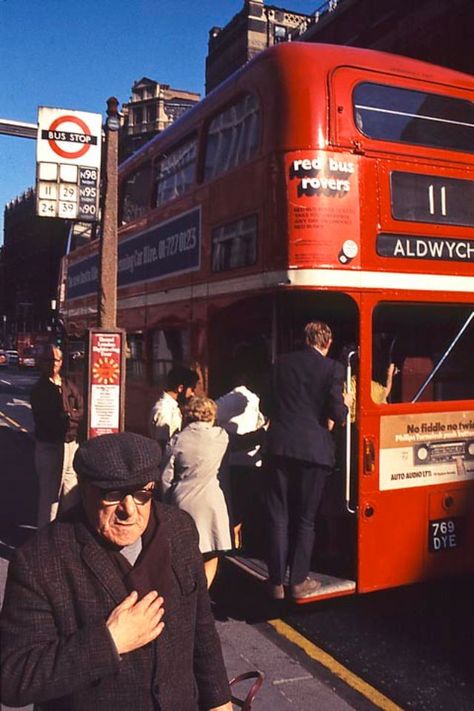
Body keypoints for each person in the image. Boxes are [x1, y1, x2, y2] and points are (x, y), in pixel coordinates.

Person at [0, 432, 232, 711]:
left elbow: (202, 630)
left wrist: (219, 701)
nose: (129, 511)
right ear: (84, 489)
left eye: (142, 495)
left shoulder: (180, 530)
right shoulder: (40, 561)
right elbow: (13, 679)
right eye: (113, 495)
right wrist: (108, 642)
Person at [264, 321, 351, 600]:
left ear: (305, 339)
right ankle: (298, 581)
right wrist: (346, 402)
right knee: (305, 519)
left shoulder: (281, 363)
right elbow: (338, 415)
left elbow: (267, 406)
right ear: (326, 342)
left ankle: (276, 582)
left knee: (278, 515)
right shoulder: (332, 369)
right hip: (314, 452)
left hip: (279, 447)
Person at [160, 396, 233, 589]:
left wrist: (167, 502)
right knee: (211, 553)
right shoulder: (221, 436)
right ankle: (203, 592)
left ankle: (187, 592)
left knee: (185, 551)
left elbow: (165, 478)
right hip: (211, 502)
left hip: (182, 502)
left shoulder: (177, 439)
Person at [30, 344, 84, 527]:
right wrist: (69, 416)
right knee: (50, 496)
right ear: (42, 363)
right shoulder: (40, 389)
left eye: (57, 360)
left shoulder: (69, 385)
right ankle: (44, 539)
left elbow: (81, 410)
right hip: (49, 447)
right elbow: (47, 418)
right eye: (48, 360)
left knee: (71, 495)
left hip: (71, 445)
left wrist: (69, 416)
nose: (53, 364)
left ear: (61, 362)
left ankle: (66, 537)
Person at [215, 374, 267, 550]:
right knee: (249, 509)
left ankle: (232, 545)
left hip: (232, 461)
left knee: (233, 509)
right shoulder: (256, 400)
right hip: (253, 461)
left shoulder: (224, 400)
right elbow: (262, 425)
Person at [148, 364, 199, 450]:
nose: (192, 394)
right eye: (192, 389)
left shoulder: (172, 407)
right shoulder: (164, 410)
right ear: (180, 388)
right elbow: (163, 445)